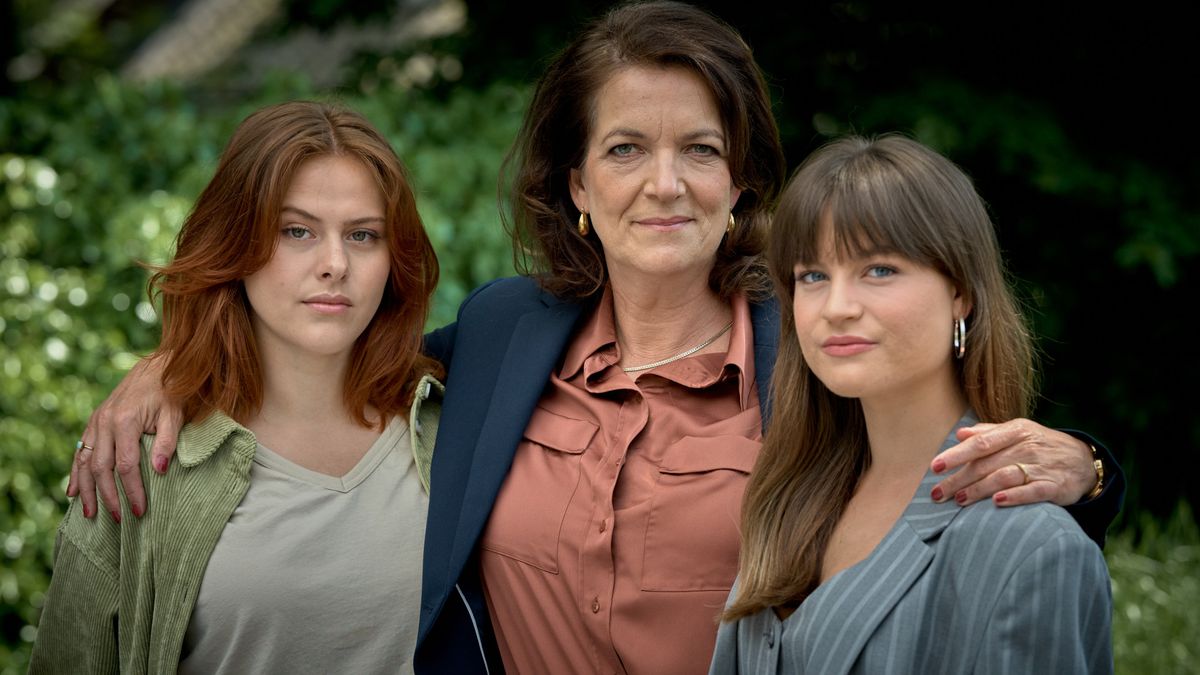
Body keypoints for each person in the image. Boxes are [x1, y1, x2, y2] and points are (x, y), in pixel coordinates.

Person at [66, 3, 1123, 673]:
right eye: (625, 150)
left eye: (699, 149)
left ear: (739, 182)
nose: (665, 184)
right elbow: (334, 346)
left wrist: (1093, 470)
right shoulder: (501, 335)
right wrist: (170, 369)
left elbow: (953, 468)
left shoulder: (810, 345)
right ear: (576, 184)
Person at [31, 101, 455, 673]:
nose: (335, 263)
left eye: (363, 235)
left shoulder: (453, 423)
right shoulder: (136, 460)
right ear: (236, 243)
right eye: (296, 231)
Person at [709, 134, 1113, 674]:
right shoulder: (787, 501)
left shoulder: (1033, 548)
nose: (837, 307)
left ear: (960, 293)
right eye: (813, 276)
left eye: (879, 269)